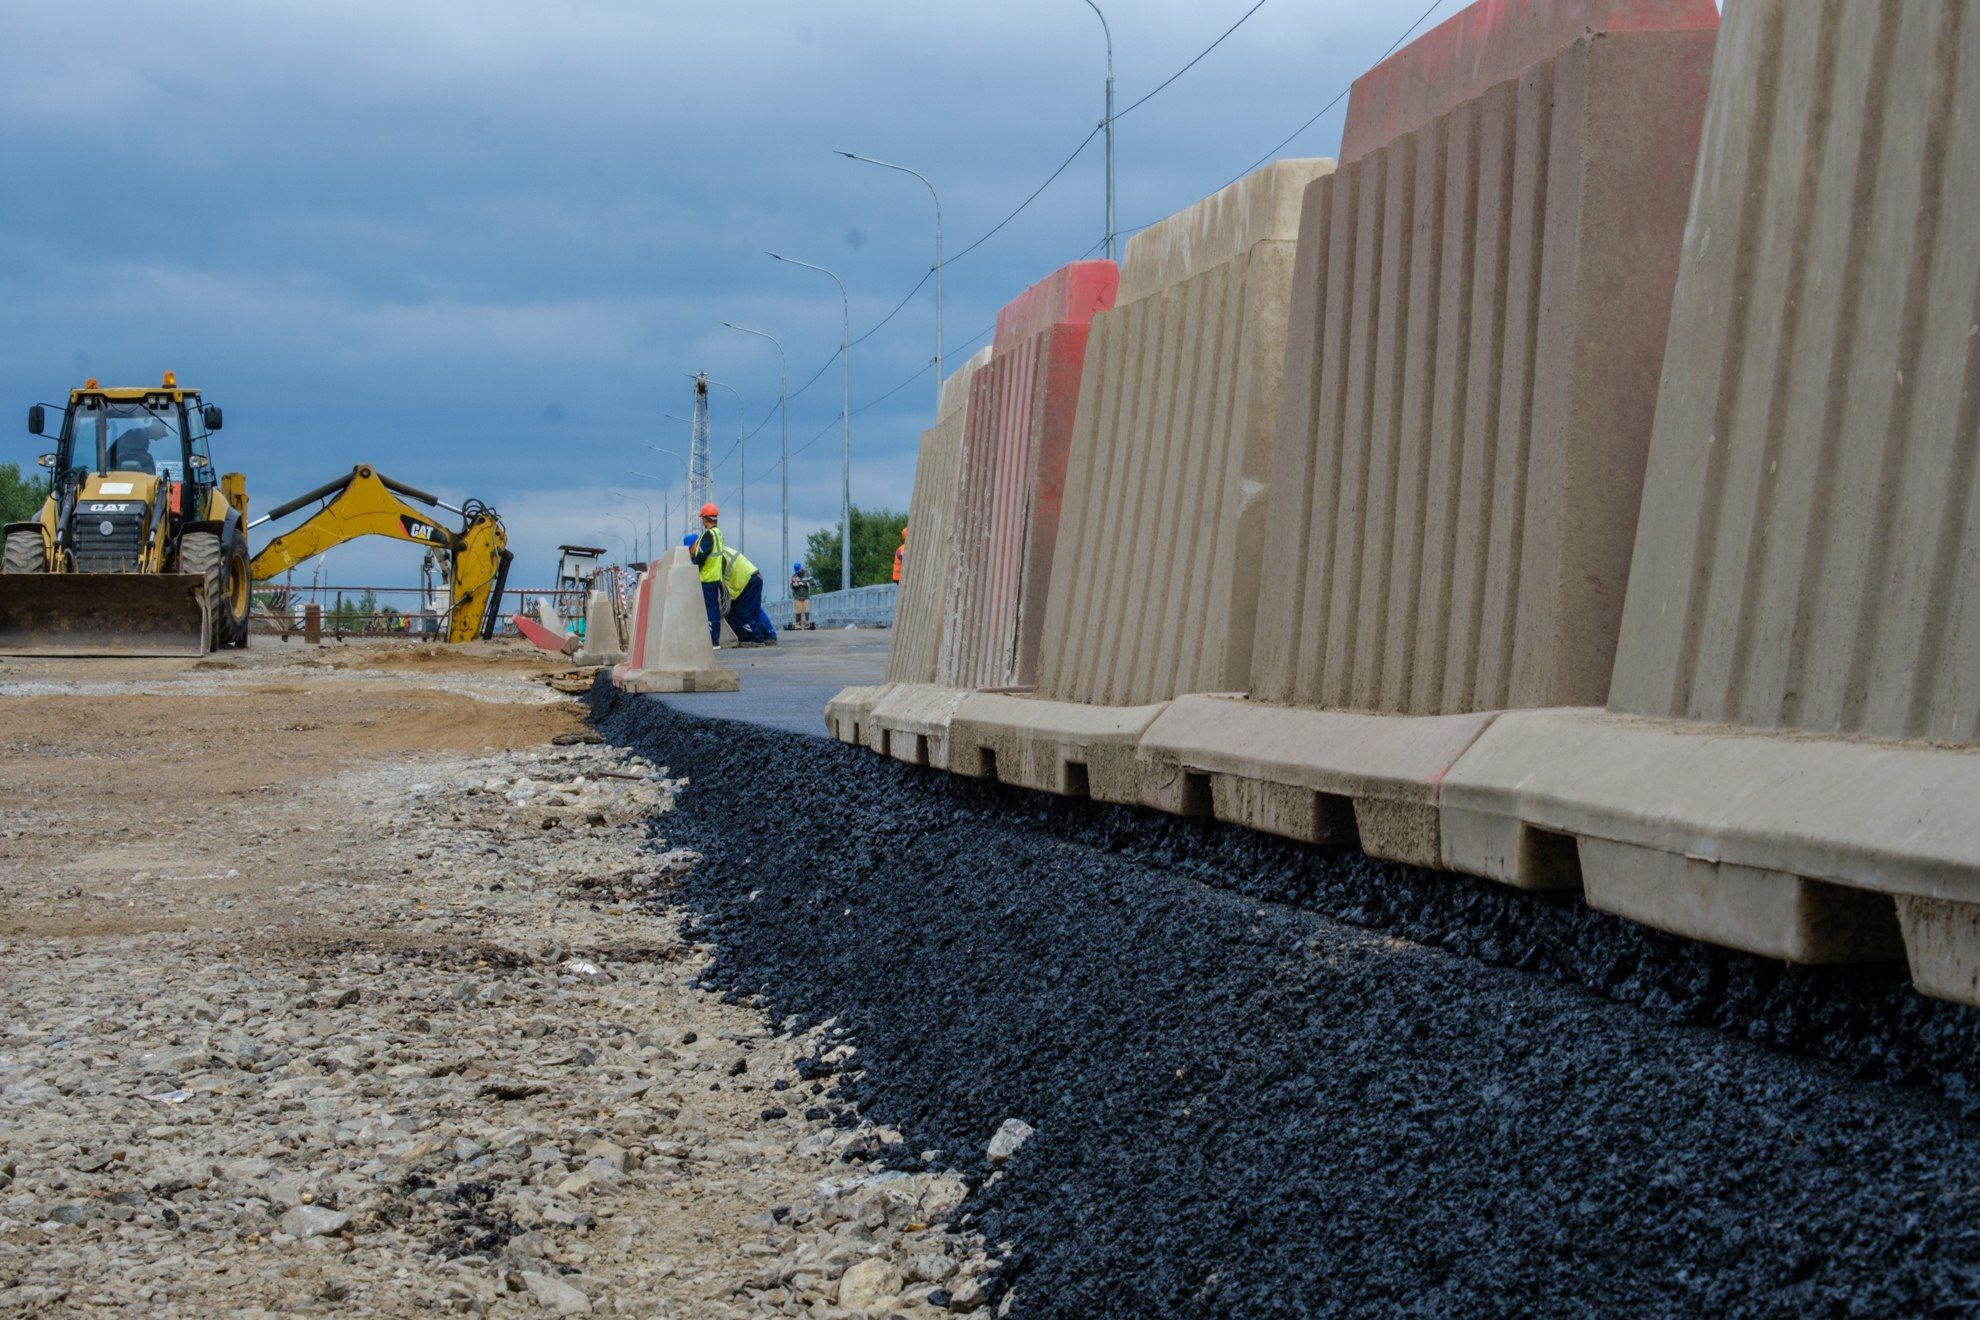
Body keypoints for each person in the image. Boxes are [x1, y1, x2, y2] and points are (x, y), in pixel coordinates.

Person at [790, 562, 816, 630]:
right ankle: (797, 625)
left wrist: (804, 583)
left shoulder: (807, 574)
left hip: (806, 596)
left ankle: (807, 625)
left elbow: (813, 582)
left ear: (801, 568)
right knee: (798, 611)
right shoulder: (794, 576)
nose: (798, 572)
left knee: (806, 610)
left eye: (799, 571)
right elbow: (792, 586)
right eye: (797, 572)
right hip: (797, 596)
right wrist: (795, 585)